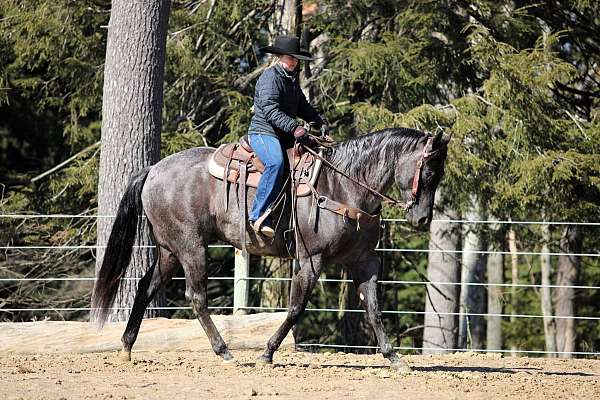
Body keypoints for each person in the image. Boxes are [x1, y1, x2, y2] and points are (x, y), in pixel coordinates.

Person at [247, 35, 327, 238]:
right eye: (291, 58)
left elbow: (303, 106)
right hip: (263, 132)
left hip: (283, 134)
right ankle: (257, 215)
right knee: (275, 163)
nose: (294, 61)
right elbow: (270, 110)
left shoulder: (290, 80)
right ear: (280, 57)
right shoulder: (270, 77)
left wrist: (319, 121)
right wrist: (295, 128)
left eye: (296, 58)